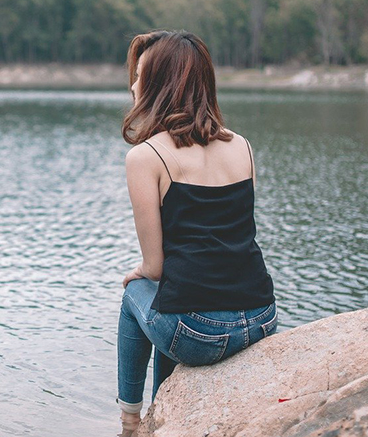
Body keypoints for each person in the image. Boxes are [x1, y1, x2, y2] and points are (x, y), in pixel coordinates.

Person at [116, 30, 278, 436]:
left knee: (135, 296)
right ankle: (160, 409)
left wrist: (139, 273)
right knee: (175, 296)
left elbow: (155, 268)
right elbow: (234, 236)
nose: (133, 85)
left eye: (139, 76)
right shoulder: (242, 145)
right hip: (261, 317)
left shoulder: (146, 157)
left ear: (160, 85)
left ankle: (131, 422)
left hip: (202, 335)